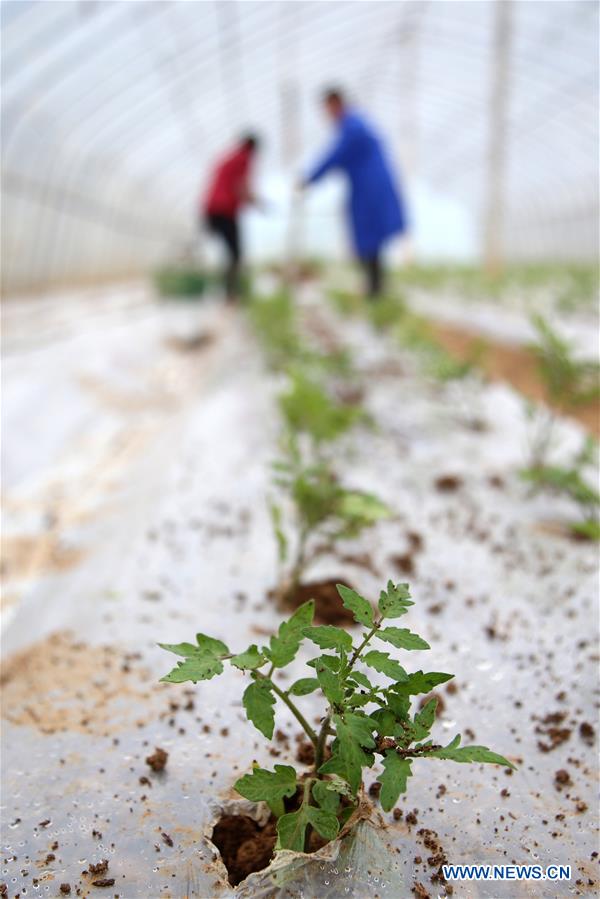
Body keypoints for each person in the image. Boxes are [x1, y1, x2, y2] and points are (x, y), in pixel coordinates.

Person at [300, 88, 407, 298]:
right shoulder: (353, 124)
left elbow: (334, 156)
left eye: (328, 108)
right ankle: (374, 286)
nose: (327, 114)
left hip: (370, 187)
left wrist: (309, 178)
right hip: (366, 185)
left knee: (369, 234)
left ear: (336, 103)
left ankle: (375, 288)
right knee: (369, 237)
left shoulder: (353, 126)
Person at [203, 133, 260, 302]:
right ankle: (231, 293)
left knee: (229, 253)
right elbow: (241, 186)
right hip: (224, 210)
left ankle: (229, 292)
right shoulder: (243, 158)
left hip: (211, 210)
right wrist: (256, 202)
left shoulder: (229, 157)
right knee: (235, 253)